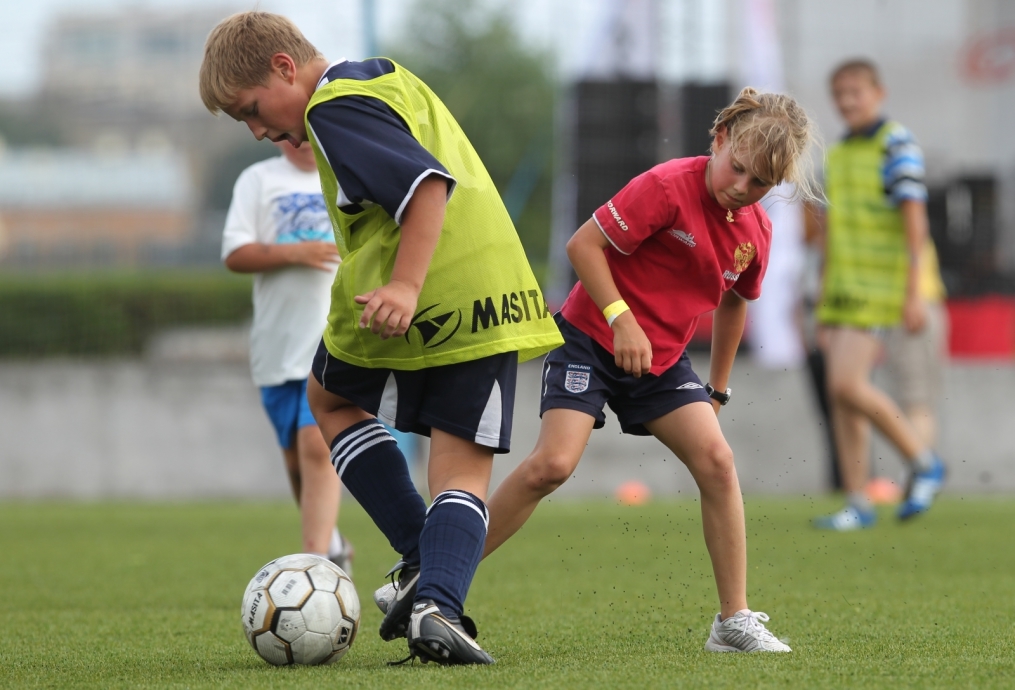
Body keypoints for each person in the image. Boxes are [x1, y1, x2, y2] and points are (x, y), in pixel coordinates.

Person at [200, 12, 563, 666]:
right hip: (490, 283)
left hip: (427, 291)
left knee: (332, 402)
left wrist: (402, 285)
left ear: (285, 67)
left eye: (251, 110)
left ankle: (424, 566)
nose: (257, 130)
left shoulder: (334, 110)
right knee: (456, 466)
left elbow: (425, 186)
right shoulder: (383, 79)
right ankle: (436, 605)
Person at [482, 88, 818, 653]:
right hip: (591, 337)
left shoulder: (756, 231)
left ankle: (732, 623)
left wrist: (718, 388)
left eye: (759, 182)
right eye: (737, 167)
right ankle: (430, 575)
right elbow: (582, 245)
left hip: (661, 361)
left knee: (717, 460)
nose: (741, 186)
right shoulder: (667, 185)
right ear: (719, 140)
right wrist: (620, 319)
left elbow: (736, 301)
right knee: (552, 467)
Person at [813, 59, 946, 531]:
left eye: (856, 91)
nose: (847, 101)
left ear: (878, 92)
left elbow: (915, 222)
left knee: (856, 386)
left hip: (888, 286)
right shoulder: (837, 155)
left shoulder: (897, 143)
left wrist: (914, 290)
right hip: (847, 289)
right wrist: (822, 298)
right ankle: (858, 500)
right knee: (840, 393)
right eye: (839, 93)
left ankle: (923, 462)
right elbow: (830, 232)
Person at [221, 138, 352, 574]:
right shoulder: (258, 180)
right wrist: (297, 251)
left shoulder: (349, 176)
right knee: (297, 463)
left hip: (333, 342)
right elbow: (235, 253)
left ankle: (315, 567)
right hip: (277, 351)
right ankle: (333, 544)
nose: (297, 141)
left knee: (317, 446)